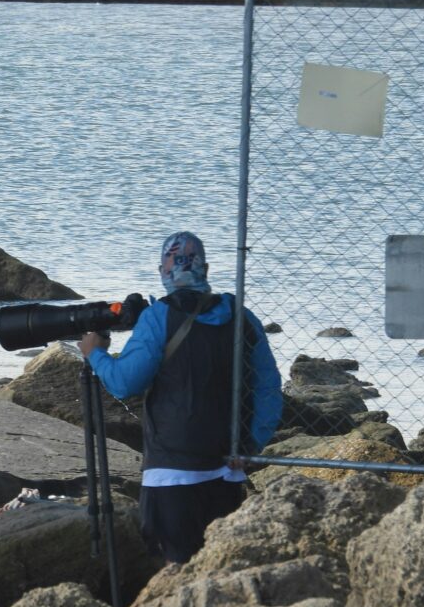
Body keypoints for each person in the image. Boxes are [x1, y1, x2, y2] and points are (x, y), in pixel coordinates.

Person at [79, 232, 282, 564]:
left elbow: (124, 383)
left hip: (170, 475)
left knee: (175, 573)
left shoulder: (158, 317)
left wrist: (95, 355)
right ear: (207, 268)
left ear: (162, 272)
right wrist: (248, 445)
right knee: (220, 568)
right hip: (226, 471)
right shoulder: (240, 315)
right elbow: (269, 390)